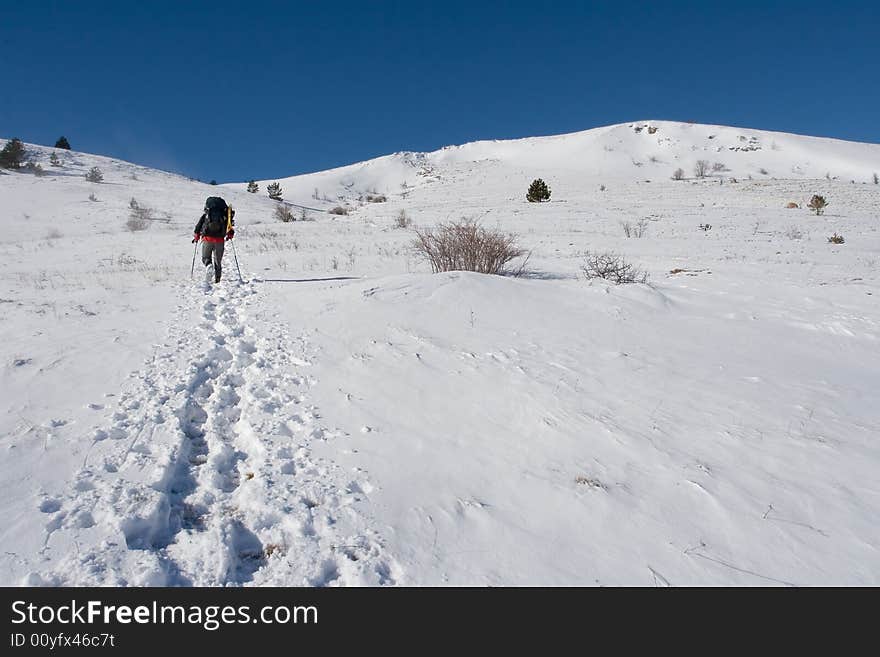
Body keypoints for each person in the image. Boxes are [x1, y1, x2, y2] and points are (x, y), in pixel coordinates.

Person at [192, 197, 235, 283]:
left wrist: (196, 236)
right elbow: (230, 228)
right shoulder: (224, 216)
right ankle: (217, 280)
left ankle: (208, 266)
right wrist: (229, 235)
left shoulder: (206, 216)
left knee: (205, 258)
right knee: (218, 261)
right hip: (220, 240)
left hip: (207, 239)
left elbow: (198, 227)